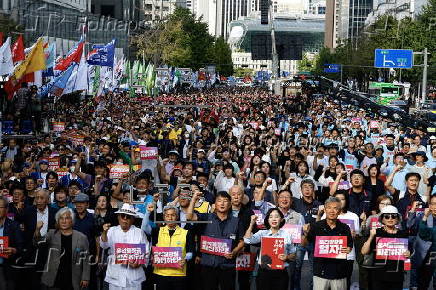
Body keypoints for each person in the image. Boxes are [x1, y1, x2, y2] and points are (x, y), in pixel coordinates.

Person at [186, 190, 245, 290]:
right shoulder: (206, 217)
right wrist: (194, 199)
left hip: (227, 266)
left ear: (230, 204)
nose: (222, 203)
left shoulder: (237, 221)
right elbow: (189, 216)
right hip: (208, 266)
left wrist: (234, 251)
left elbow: (242, 241)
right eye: (219, 201)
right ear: (215, 204)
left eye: (225, 201)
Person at [302, 196, 353, 290]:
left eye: (335, 208)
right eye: (329, 208)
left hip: (339, 273)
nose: (332, 211)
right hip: (320, 272)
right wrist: (305, 234)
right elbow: (304, 244)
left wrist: (348, 249)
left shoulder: (345, 228)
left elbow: (350, 246)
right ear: (325, 210)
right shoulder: (316, 226)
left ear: (339, 210)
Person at [34, 207, 90, 290]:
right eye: (61, 218)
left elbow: (86, 260)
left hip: (73, 279)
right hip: (53, 279)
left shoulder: (82, 237)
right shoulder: (51, 234)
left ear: (72, 220)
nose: (64, 221)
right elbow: (37, 243)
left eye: (67, 218)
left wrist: (85, 277)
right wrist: (37, 230)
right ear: (58, 221)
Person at [143, 205, 194, 290]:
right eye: (167, 215)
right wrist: (148, 212)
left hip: (179, 274)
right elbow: (144, 228)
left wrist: (185, 259)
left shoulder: (186, 233)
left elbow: (190, 252)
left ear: (177, 217)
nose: (170, 218)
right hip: (160, 273)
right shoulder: (158, 231)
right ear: (164, 217)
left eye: (173, 215)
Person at [243, 208, 296, 290]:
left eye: (276, 216)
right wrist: (251, 224)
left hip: (280, 273)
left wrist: (287, 257)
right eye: (270, 217)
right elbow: (247, 240)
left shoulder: (287, 235)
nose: (274, 219)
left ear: (281, 219)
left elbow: (294, 255)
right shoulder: (262, 233)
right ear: (267, 220)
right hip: (264, 272)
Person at [100, 203, 150, 290]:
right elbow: (104, 245)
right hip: (115, 275)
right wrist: (104, 232)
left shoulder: (139, 232)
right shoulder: (111, 230)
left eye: (128, 217)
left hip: (134, 276)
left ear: (133, 219)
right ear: (118, 217)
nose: (125, 219)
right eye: (123, 216)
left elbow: (146, 252)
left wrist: (139, 263)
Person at [361, 205, 410, 290]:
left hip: (397, 275)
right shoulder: (377, 233)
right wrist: (371, 236)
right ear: (382, 219)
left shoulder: (403, 234)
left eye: (393, 216)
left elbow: (409, 252)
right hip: (379, 275)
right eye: (387, 216)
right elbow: (364, 252)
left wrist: (408, 253)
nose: (390, 219)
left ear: (398, 219)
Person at [0, 196, 24, 290]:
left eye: (0, 207)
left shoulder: (14, 225)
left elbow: (20, 247)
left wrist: (14, 250)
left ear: (6, 209)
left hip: (5, 266)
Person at [413, 194, 436, 290]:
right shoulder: (423, 216)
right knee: (422, 284)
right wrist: (425, 217)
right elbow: (420, 232)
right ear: (429, 205)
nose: (435, 207)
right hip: (426, 255)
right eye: (433, 204)